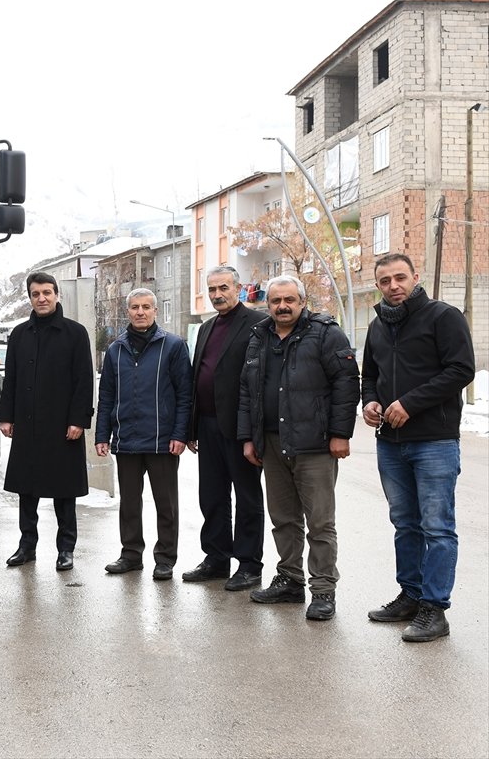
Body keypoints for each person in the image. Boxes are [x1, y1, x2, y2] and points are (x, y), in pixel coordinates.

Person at [361, 254, 475, 642]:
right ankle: (410, 596)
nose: (393, 286)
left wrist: (410, 403)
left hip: (435, 441)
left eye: (400, 278)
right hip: (390, 444)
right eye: (385, 280)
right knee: (404, 524)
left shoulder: (443, 317)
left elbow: (461, 370)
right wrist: (371, 402)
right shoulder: (377, 325)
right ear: (378, 285)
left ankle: (434, 608)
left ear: (415, 277)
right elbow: (370, 375)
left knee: (437, 528)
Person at [237, 275, 359, 621]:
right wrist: (249, 437)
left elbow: (347, 383)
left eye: (290, 300)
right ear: (268, 303)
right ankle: (290, 580)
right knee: (283, 519)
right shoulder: (259, 337)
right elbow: (248, 390)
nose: (282, 306)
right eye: (276, 300)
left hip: (315, 444)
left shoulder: (325, 333)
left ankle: (322, 590)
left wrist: (340, 433)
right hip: (272, 443)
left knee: (320, 522)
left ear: (302, 302)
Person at [0, 272, 95, 572]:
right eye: (36, 293)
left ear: (57, 295)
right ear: (29, 297)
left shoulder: (75, 333)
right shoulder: (19, 334)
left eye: (47, 292)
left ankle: (66, 549)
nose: (41, 298)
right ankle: (27, 546)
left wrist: (78, 420)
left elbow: (84, 381)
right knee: (27, 491)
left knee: (64, 493)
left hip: (62, 426)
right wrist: (6, 416)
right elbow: (10, 378)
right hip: (27, 425)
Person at [95, 289, 192, 581]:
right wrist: (102, 434)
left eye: (146, 307)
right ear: (128, 312)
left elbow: (185, 395)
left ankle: (165, 558)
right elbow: (107, 396)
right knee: (129, 502)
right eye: (135, 307)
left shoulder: (173, 346)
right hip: (126, 440)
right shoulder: (116, 350)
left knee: (166, 503)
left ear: (155, 312)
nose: (140, 312)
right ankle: (131, 554)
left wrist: (180, 434)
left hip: (163, 441)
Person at [183, 266, 266, 591]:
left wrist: (252, 433)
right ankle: (216, 559)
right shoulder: (205, 328)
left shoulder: (258, 323)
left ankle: (249, 565)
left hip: (240, 427)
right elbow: (197, 376)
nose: (217, 294)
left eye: (223, 288)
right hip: (207, 425)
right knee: (212, 496)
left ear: (239, 288)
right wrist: (191, 427)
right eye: (212, 289)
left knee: (247, 498)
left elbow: (259, 381)